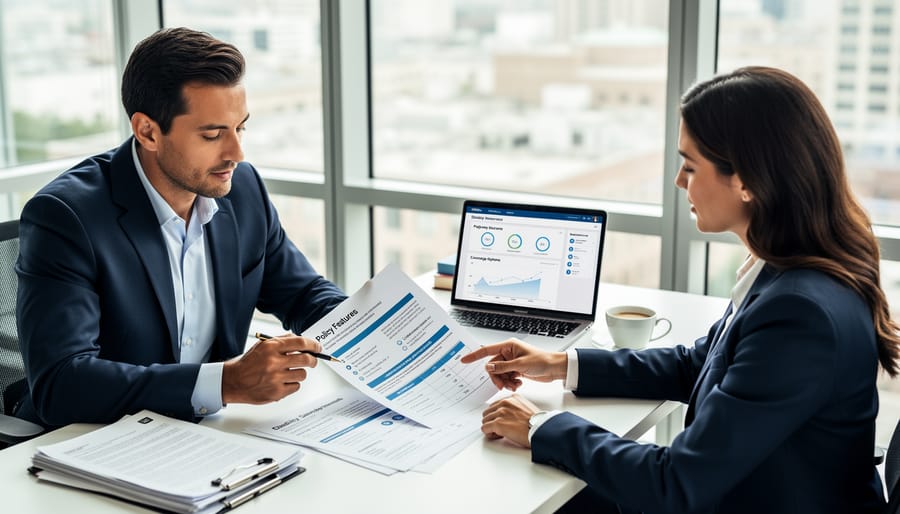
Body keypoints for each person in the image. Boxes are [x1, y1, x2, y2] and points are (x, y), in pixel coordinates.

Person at [461, 66, 899, 514]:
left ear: (746, 180)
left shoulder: (799, 312)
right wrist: (558, 364)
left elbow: (676, 484)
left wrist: (540, 425)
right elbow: (699, 364)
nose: (678, 181)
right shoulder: (789, 271)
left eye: (690, 166)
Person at [13, 27, 346, 428]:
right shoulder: (65, 217)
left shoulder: (242, 190)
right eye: (212, 134)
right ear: (148, 131)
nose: (237, 153)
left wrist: (380, 332)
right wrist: (227, 383)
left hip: (204, 436)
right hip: (92, 441)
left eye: (241, 127)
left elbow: (304, 294)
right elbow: (61, 383)